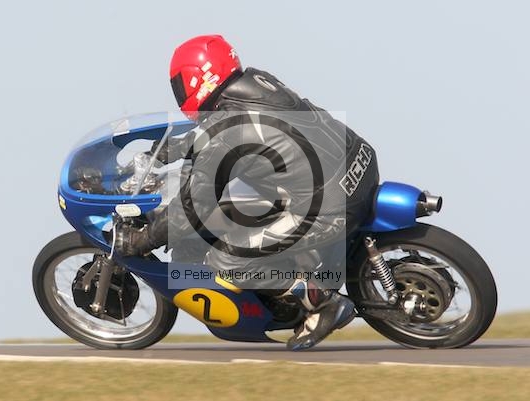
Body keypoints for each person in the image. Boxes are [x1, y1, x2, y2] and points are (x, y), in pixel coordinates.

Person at [115, 34, 379, 350]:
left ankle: (323, 304)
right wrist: (166, 151)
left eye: (182, 84)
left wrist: (144, 240)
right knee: (238, 208)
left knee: (229, 260)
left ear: (200, 79)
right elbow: (222, 138)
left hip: (332, 207)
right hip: (359, 164)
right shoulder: (255, 83)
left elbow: (192, 208)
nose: (180, 92)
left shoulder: (226, 130)